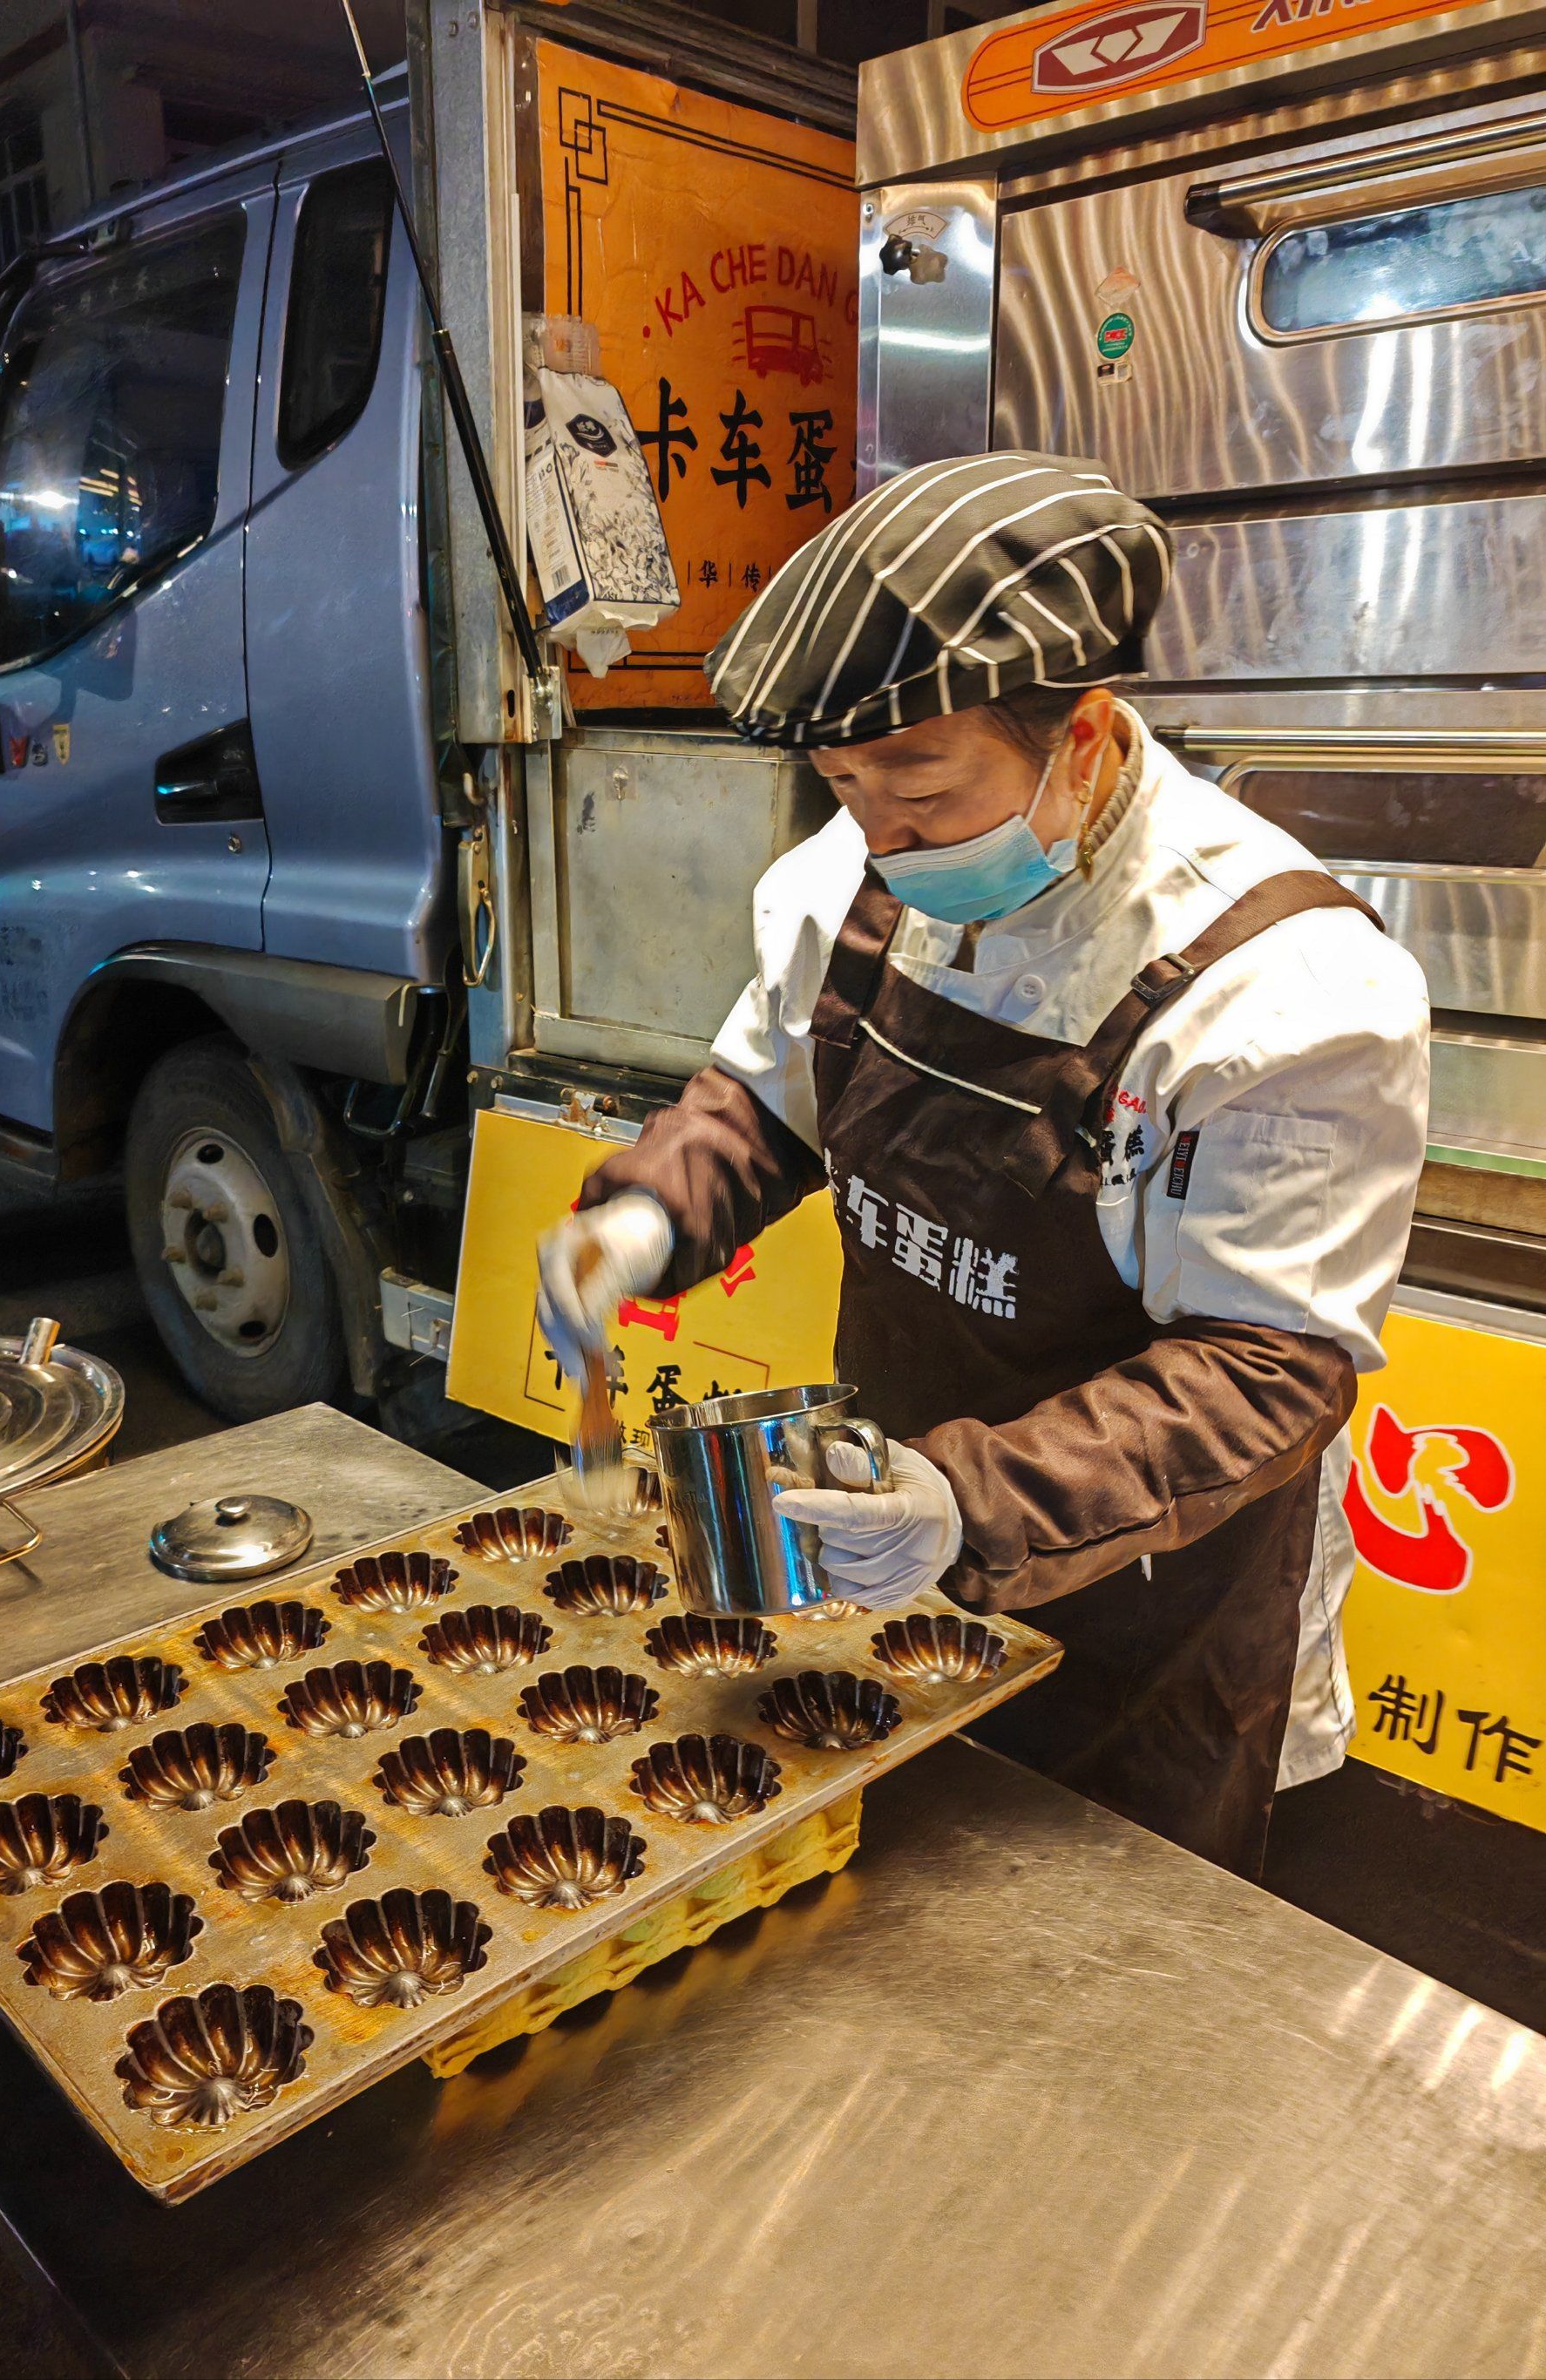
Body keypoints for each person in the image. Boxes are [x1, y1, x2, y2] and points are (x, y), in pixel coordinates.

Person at [537, 452, 1431, 1876]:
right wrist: (649, 1214)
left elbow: (1266, 1371)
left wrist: (969, 1505)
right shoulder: (859, 871)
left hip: (1146, 1591)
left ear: (1081, 736)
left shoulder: (1284, 995)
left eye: (922, 794)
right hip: (885, 1516)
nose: (879, 841)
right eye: (843, 788)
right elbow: (774, 1097)